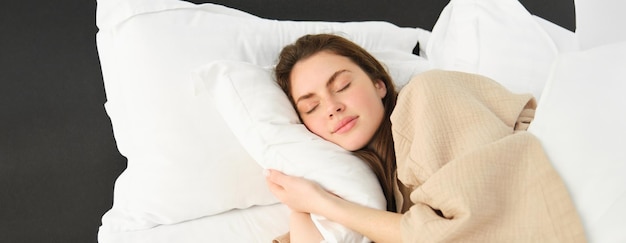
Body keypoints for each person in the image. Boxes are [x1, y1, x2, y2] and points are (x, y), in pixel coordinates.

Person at [266, 34, 585, 243]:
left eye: (342, 86)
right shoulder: (368, 186)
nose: (332, 107)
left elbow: (464, 226)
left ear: (379, 84)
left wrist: (324, 204)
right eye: (311, 106)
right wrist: (301, 203)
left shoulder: (428, 95)